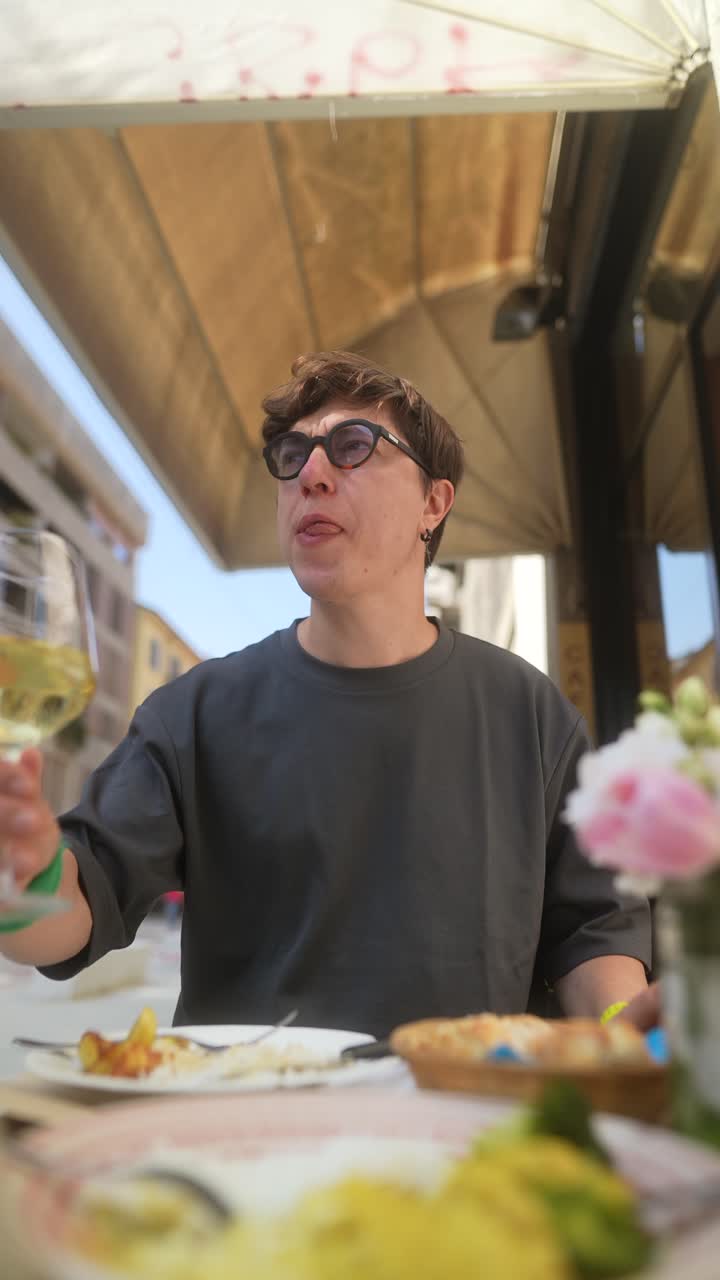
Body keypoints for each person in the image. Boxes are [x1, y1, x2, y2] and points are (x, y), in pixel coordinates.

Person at [0, 352, 651, 1036]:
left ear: (434, 503)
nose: (310, 474)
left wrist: (624, 1030)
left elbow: (595, 935)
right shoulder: (193, 714)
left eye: (352, 447)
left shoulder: (532, 715)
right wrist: (22, 879)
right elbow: (71, 910)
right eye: (291, 455)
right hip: (247, 1128)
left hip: (472, 1124)